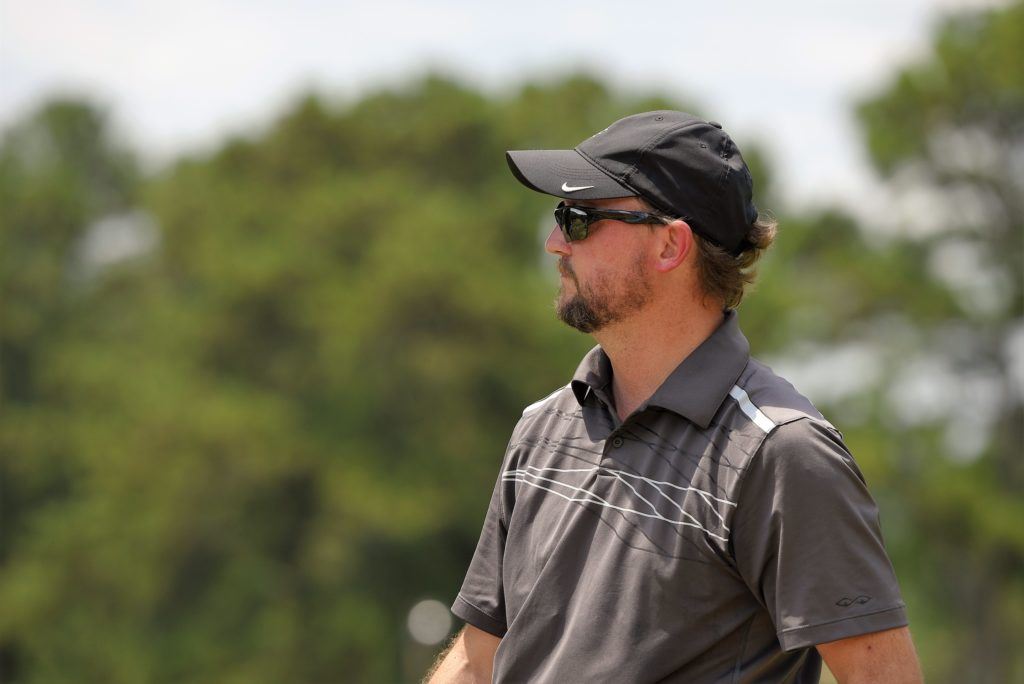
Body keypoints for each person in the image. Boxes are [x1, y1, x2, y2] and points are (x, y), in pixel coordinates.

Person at [427, 111, 922, 683]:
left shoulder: (782, 454)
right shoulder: (541, 429)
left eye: (579, 218)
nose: (555, 242)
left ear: (669, 245)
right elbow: (477, 660)